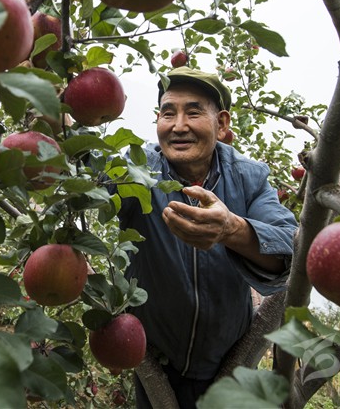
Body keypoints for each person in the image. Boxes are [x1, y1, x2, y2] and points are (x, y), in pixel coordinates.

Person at [112, 67, 297, 408]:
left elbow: (290, 247)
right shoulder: (138, 171)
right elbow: (86, 182)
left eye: (193, 112)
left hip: (231, 363)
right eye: (168, 113)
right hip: (155, 361)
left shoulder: (249, 178)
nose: (178, 125)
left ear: (222, 124)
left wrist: (232, 230)